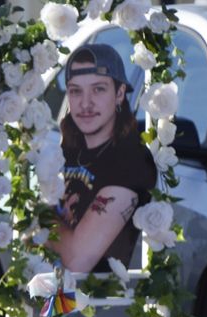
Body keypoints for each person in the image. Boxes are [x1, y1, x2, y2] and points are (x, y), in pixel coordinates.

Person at [50, 44, 158, 273]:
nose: (85, 103)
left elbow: (78, 260)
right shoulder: (68, 150)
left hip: (102, 303)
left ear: (119, 94)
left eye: (98, 89)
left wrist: (39, 218)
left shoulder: (131, 162)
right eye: (75, 91)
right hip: (55, 295)